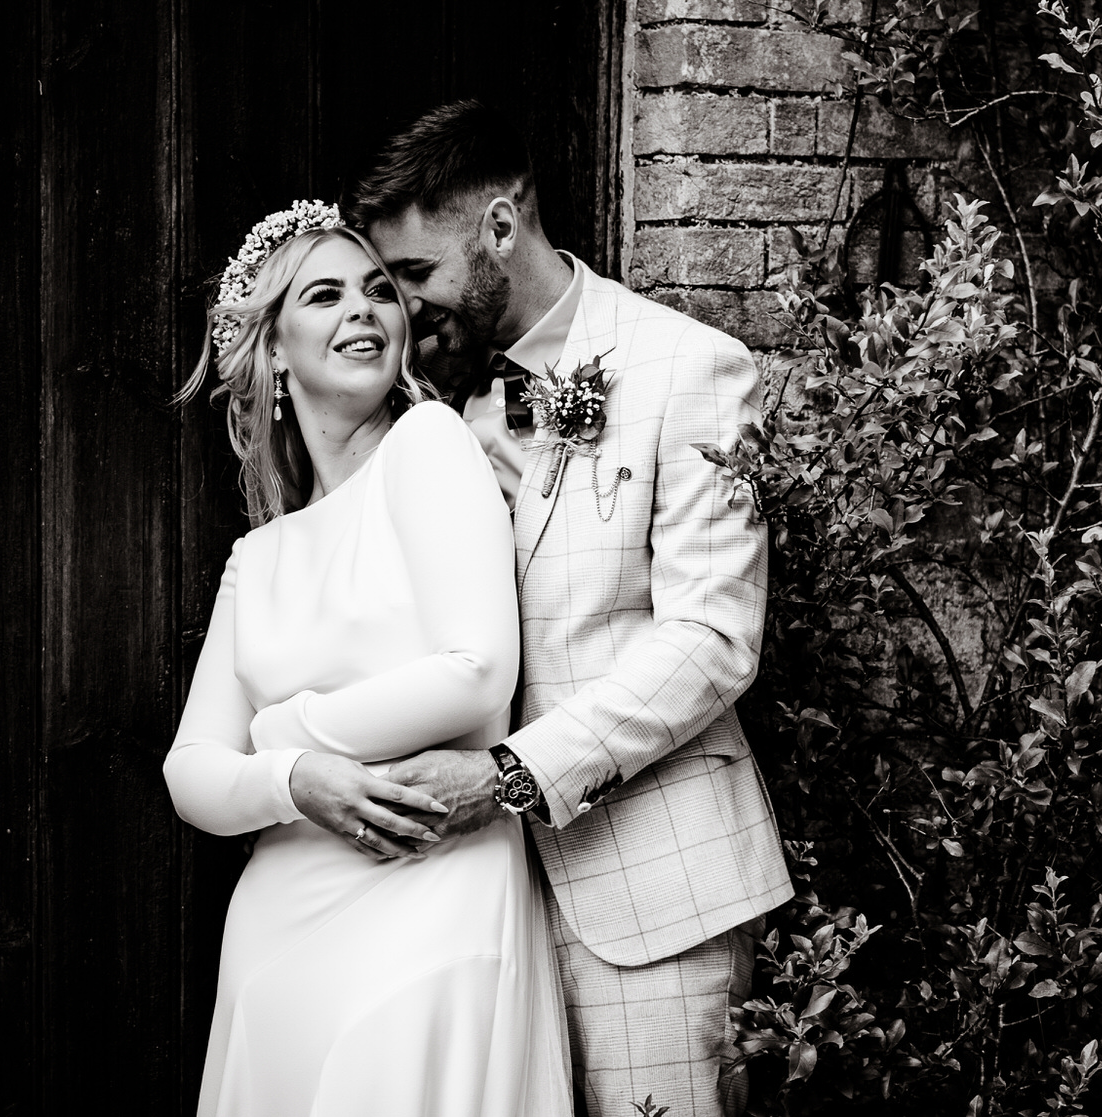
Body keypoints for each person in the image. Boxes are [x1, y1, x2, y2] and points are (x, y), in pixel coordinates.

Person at [350, 101, 793, 1117]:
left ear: (499, 226)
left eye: (416, 274)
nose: (405, 307)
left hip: (651, 892)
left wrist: (509, 773)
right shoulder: (434, 405)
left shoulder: (692, 368)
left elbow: (713, 640)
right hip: (477, 903)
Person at [165, 200, 572, 1117]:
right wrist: (295, 779)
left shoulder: (427, 447)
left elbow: (477, 670)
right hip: (281, 927)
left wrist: (284, 731)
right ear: (273, 347)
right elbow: (191, 770)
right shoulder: (258, 554)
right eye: (324, 294)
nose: (364, 310)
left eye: (380, 290)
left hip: (429, 897)